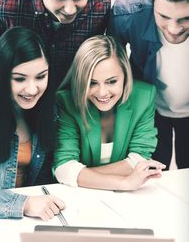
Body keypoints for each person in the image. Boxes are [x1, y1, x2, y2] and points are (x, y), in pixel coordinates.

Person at [0, 26, 65, 219]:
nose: (32, 89)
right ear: (1, 76)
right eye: (19, 79)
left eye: (41, 76)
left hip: (31, 217)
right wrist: (22, 204)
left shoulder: (50, 110)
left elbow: (44, 176)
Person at [107, 0, 189, 170]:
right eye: (164, 17)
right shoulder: (128, 14)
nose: (174, 29)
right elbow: (110, 60)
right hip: (150, 109)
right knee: (151, 171)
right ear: (152, 2)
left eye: (185, 18)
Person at [53, 35, 165, 191]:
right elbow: (63, 166)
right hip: (80, 196)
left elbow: (139, 158)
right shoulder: (66, 102)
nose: (102, 92)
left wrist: (79, 175)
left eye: (112, 81)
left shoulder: (144, 96)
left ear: (125, 75)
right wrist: (125, 183)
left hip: (121, 197)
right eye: (92, 83)